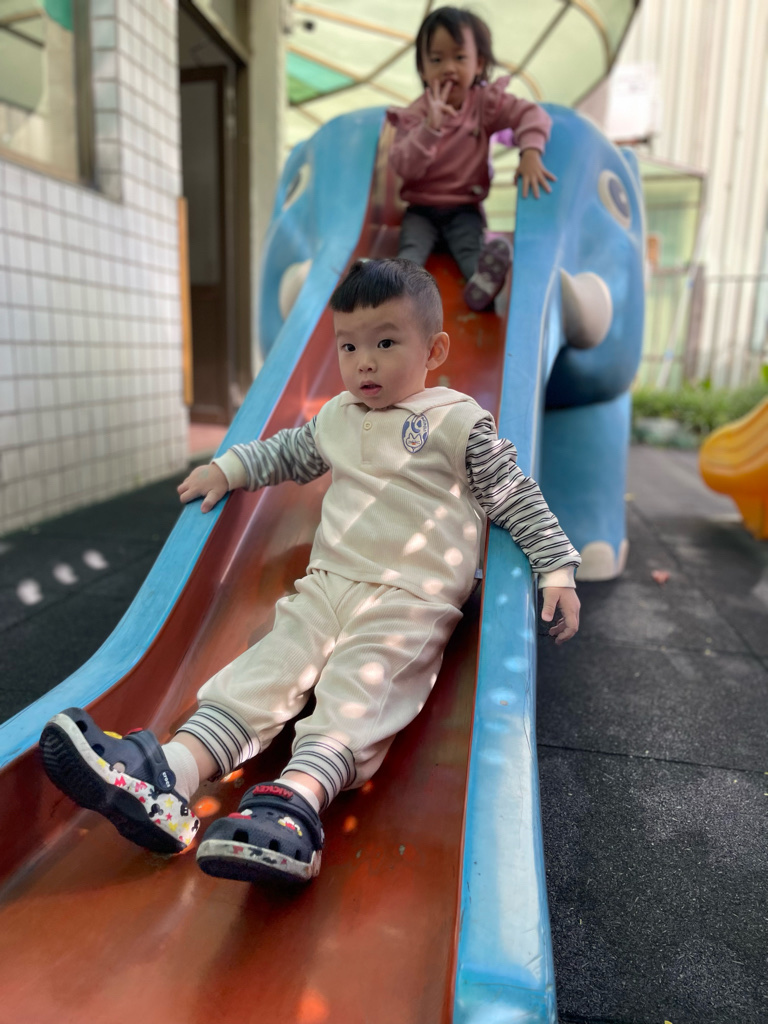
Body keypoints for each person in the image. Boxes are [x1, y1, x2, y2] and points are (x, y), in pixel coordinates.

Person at [39, 259, 580, 889]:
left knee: (361, 688)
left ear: (434, 351)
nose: (364, 363)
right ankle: (170, 776)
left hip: (411, 597)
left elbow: (513, 493)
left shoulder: (458, 423)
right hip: (327, 583)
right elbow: (289, 452)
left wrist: (555, 567)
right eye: (348, 347)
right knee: (268, 668)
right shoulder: (338, 416)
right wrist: (231, 468)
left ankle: (295, 801)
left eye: (385, 343)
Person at [387, 6, 556, 311]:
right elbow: (403, 166)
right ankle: (400, 299)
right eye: (436, 59)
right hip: (420, 211)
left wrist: (530, 151)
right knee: (409, 254)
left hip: (464, 209)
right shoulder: (414, 115)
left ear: (479, 64)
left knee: (471, 253)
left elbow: (532, 115)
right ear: (423, 70)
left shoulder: (484, 105)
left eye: (459, 57)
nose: (448, 68)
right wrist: (429, 129)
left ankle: (484, 289)